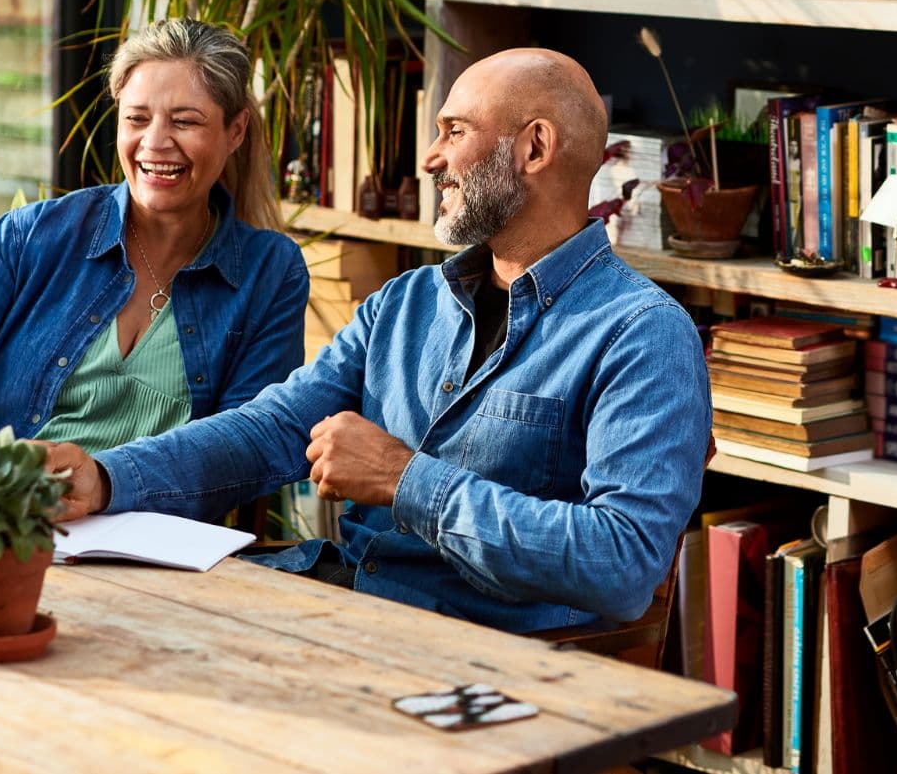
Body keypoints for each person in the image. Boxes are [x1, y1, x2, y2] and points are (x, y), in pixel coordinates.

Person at [48, 47, 712, 633]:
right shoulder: (406, 301)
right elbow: (272, 429)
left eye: (454, 131)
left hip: (477, 657)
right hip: (339, 606)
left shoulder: (642, 334)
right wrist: (106, 477)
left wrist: (404, 478)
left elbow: (622, 562)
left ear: (534, 148)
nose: (430, 159)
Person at [0, 18, 310, 469]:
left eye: (184, 121)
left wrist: (103, 481)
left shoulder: (270, 274)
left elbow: (242, 447)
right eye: (137, 119)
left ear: (235, 131)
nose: (155, 142)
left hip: (134, 548)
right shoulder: (32, 235)